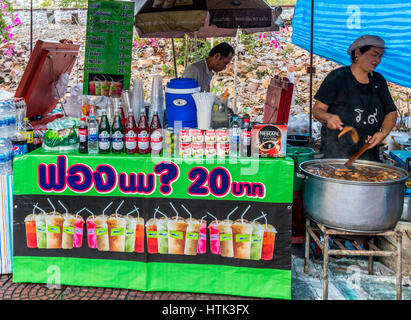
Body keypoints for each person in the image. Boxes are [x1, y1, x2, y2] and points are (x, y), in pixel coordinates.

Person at [313, 35, 398, 162]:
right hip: (335, 156)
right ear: (358, 53)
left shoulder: (378, 80)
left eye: (380, 56)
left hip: (369, 156)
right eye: (374, 54)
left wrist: (382, 133)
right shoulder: (337, 77)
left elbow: (391, 113)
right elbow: (317, 110)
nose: (378, 60)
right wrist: (328, 117)